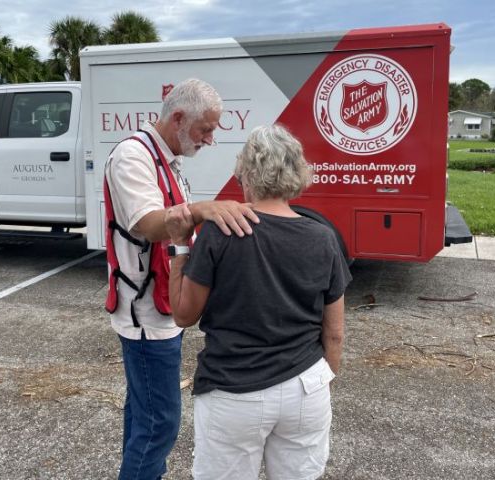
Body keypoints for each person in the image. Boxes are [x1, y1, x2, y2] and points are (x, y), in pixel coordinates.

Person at [166, 124, 351, 479]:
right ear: (296, 172)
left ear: (245, 174)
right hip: (306, 387)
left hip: (233, 391)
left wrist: (178, 246)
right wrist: (321, 383)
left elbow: (183, 315)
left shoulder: (220, 232)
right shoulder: (323, 238)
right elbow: (335, 333)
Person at [104, 78, 259, 480]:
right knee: (160, 424)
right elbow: (150, 225)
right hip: (146, 318)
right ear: (177, 119)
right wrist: (203, 210)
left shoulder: (166, 159)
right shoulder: (132, 157)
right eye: (205, 129)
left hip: (161, 309)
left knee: (144, 416)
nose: (210, 139)